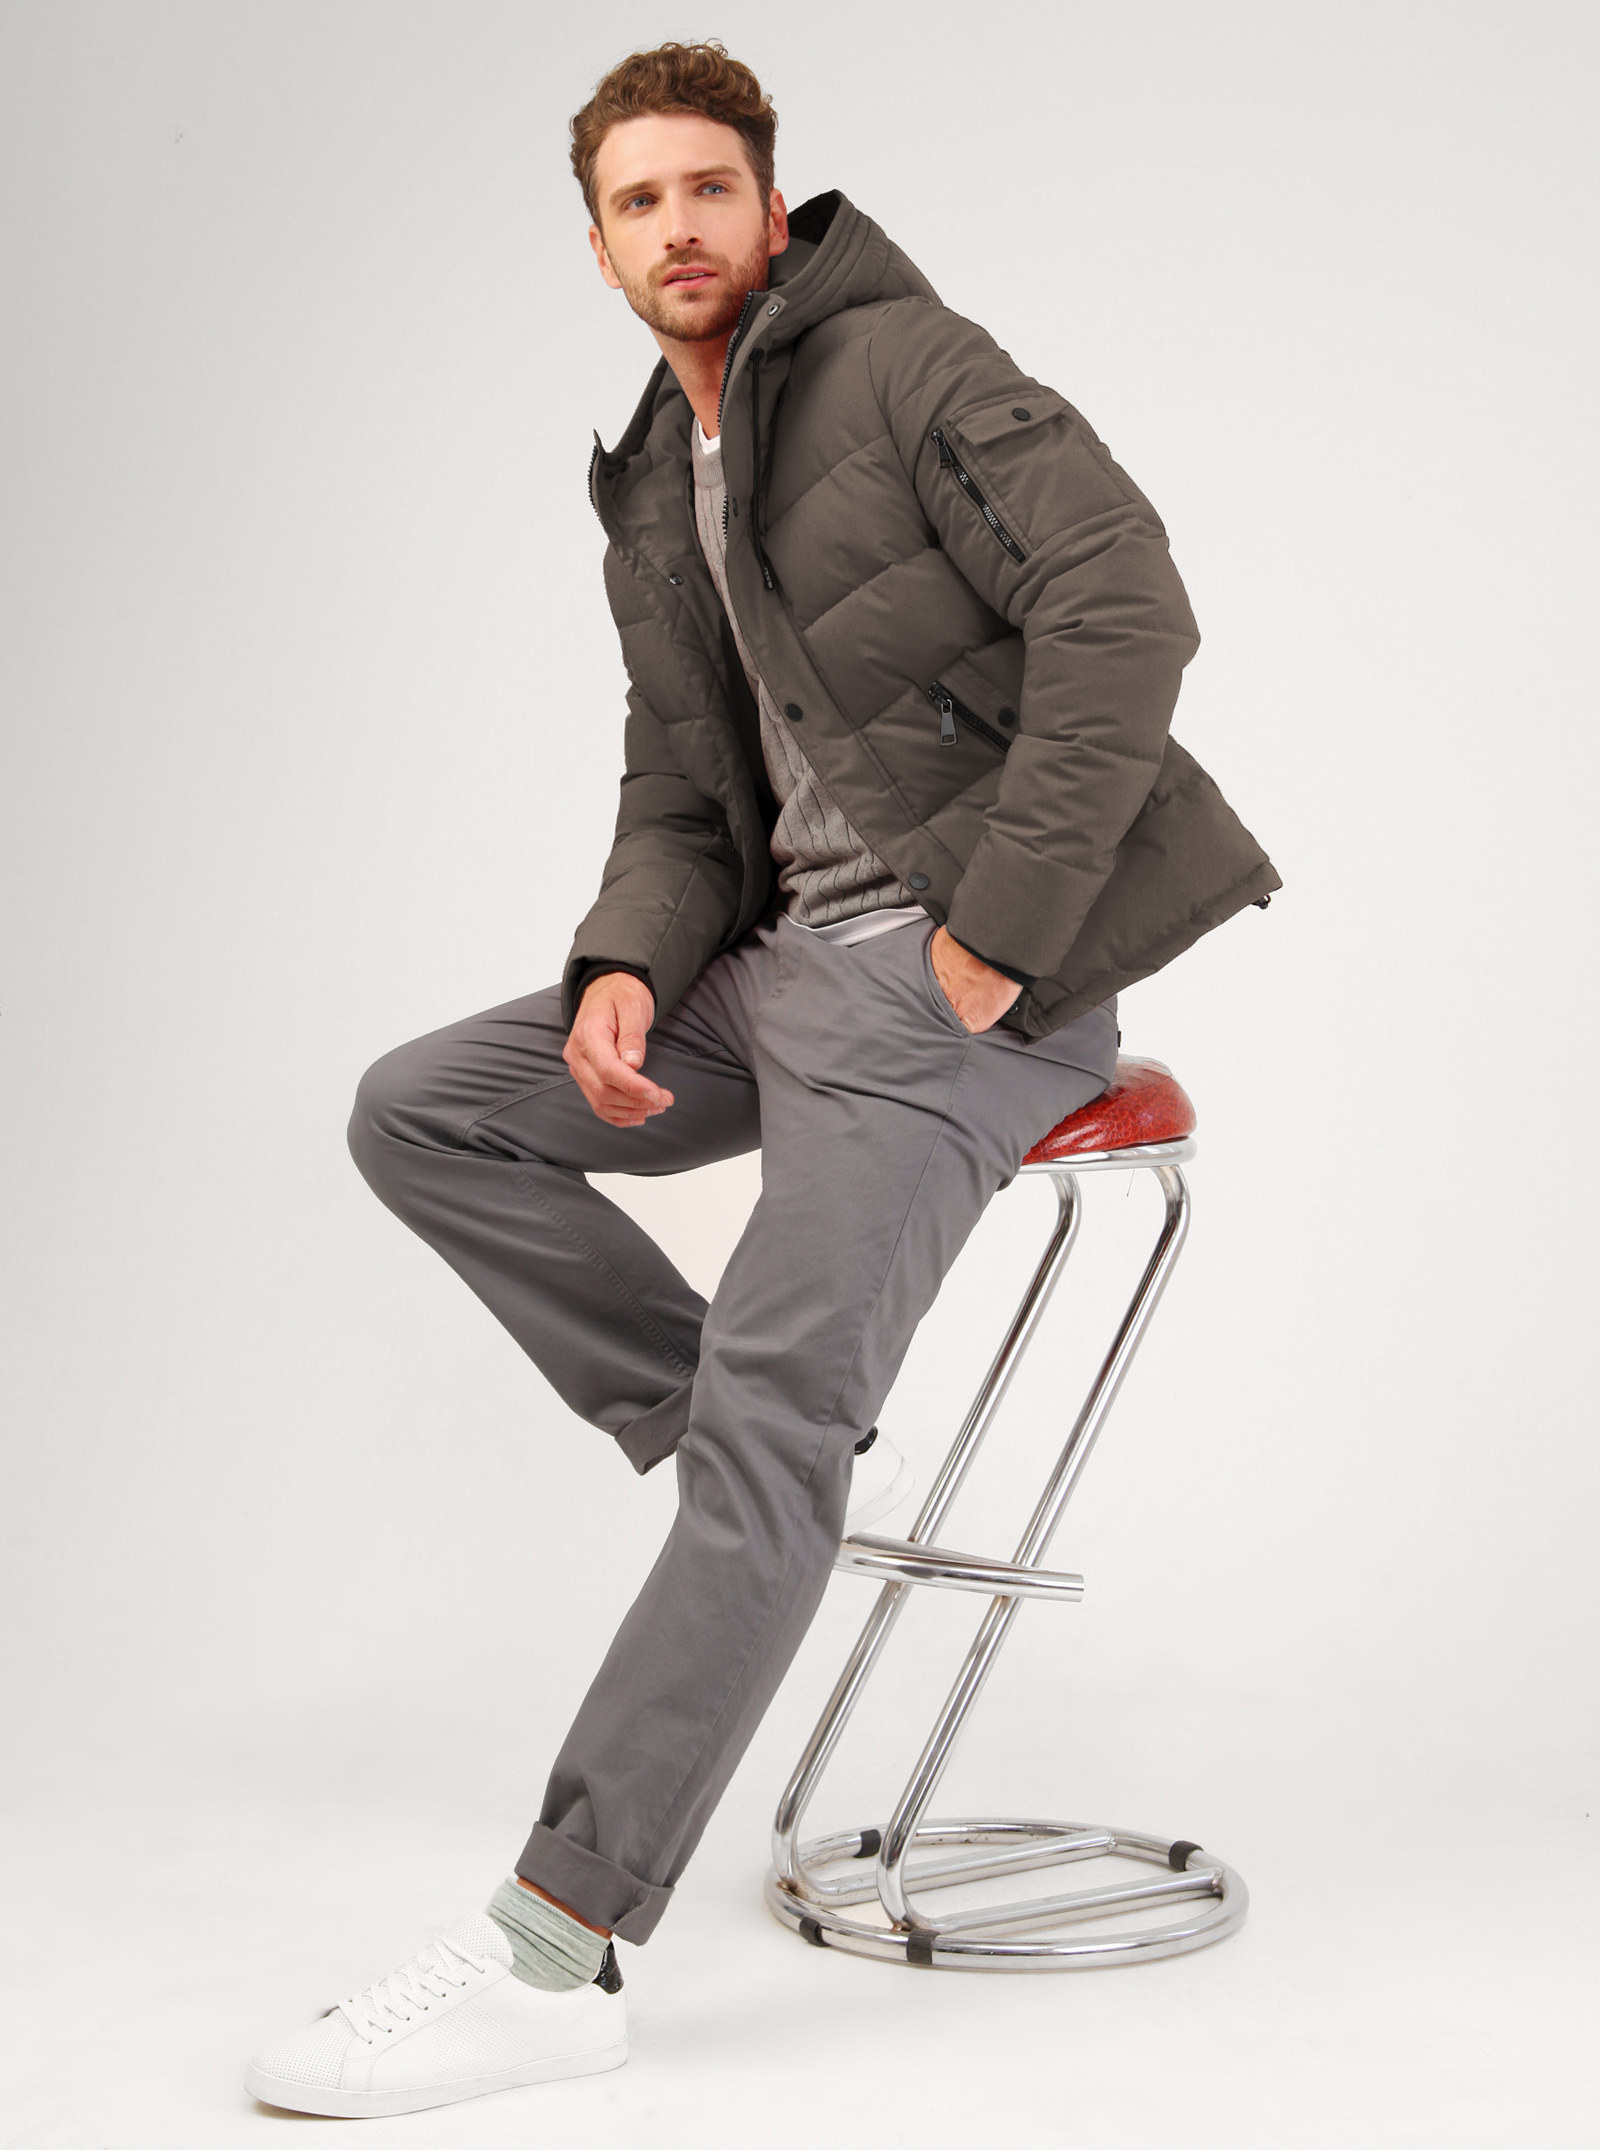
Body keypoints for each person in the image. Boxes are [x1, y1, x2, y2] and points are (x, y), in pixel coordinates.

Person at [244, 39, 1279, 2119]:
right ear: (600, 245)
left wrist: (995, 935)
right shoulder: (656, 472)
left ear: (769, 199)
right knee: (421, 1107)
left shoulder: (904, 364)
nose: (679, 226)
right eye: (637, 202)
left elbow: (1123, 601)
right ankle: (733, 1420)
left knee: (776, 1439)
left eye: (707, 186)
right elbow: (679, 784)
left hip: (951, 993)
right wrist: (629, 965)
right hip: (773, 969)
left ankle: (555, 1949)